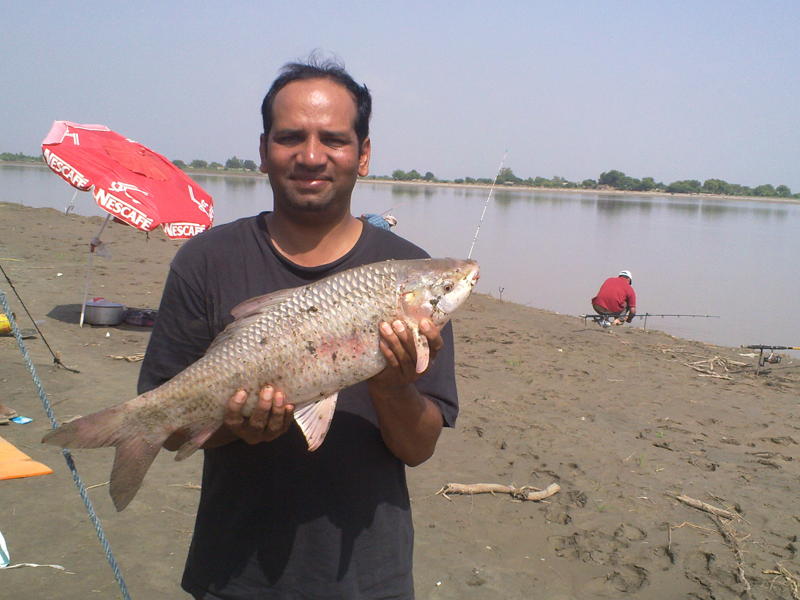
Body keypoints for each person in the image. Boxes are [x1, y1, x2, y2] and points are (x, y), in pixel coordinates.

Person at [137, 58, 458, 599]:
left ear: (363, 154)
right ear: (263, 151)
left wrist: (390, 383)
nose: (312, 156)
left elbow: (418, 448)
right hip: (234, 572)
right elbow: (167, 426)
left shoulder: (410, 273)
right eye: (291, 138)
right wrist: (238, 428)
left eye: (333, 139)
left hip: (367, 576)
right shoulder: (205, 261)